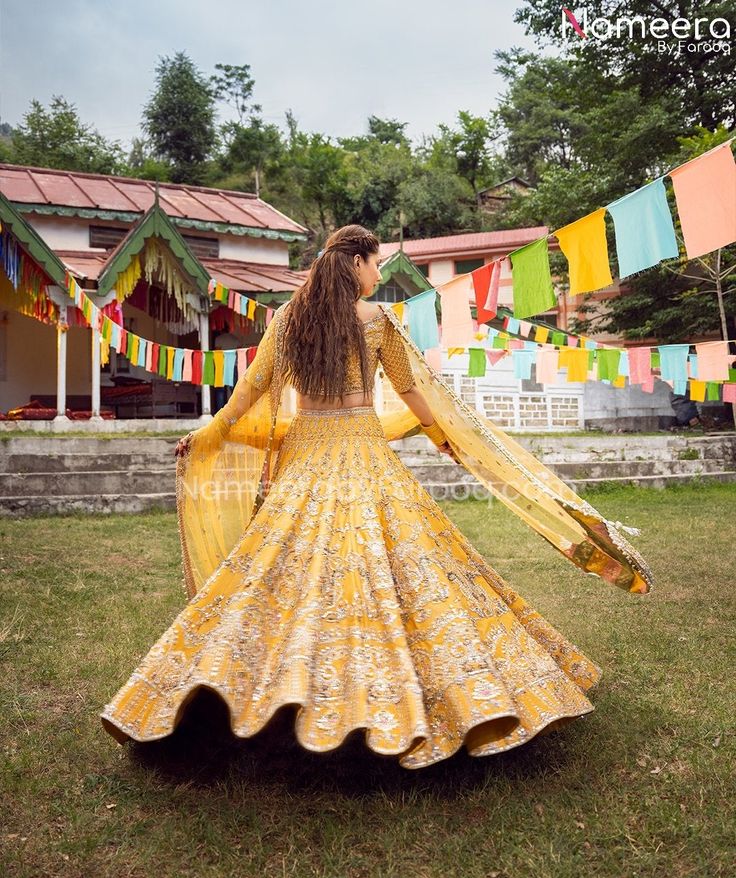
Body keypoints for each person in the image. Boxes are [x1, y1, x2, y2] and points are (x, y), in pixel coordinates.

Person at [100, 225, 653, 770]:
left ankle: (255, 690)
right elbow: (414, 388)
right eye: (376, 261)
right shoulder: (375, 319)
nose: (381, 272)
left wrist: (209, 433)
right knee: (412, 563)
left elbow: (250, 389)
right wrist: (446, 438)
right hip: (363, 452)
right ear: (356, 262)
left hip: (308, 457)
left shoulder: (288, 319)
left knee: (274, 569)